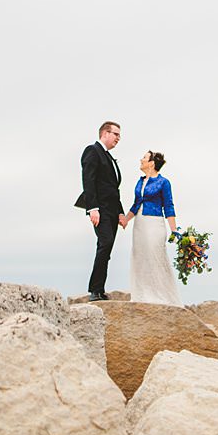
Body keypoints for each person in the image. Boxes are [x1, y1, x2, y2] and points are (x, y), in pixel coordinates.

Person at [74, 121, 124, 301]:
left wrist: (120, 212)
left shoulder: (110, 158)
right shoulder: (92, 151)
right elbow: (88, 179)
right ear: (104, 133)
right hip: (100, 210)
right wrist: (92, 208)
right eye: (116, 134)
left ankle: (100, 289)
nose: (119, 138)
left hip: (112, 211)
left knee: (107, 248)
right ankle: (94, 290)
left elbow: (113, 189)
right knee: (105, 243)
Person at [126, 150, 181, 306]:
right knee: (140, 255)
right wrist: (125, 220)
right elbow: (136, 204)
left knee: (155, 255)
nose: (141, 159)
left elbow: (168, 206)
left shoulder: (164, 182)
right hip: (139, 224)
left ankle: (162, 296)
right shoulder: (140, 181)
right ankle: (141, 294)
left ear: (151, 163)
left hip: (155, 223)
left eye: (144, 158)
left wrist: (174, 230)